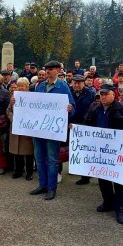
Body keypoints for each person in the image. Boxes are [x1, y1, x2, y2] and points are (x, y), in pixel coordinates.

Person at [84, 84, 123, 224]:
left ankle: (121, 208)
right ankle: (107, 202)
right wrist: (76, 128)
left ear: (113, 95)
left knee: (119, 181)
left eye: (105, 94)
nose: (102, 97)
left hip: (117, 152)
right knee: (103, 179)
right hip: (100, 152)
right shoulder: (95, 109)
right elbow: (87, 124)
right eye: (101, 94)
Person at [29, 61, 75, 201]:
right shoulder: (41, 86)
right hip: (39, 129)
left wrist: (70, 109)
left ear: (57, 71)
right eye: (46, 69)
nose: (47, 71)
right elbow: (32, 104)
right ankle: (42, 185)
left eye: (50, 69)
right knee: (39, 158)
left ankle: (51, 188)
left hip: (53, 130)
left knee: (52, 159)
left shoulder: (63, 86)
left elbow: (72, 106)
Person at [7, 77, 35, 180]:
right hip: (16, 127)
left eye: (23, 85)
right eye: (19, 86)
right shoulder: (14, 97)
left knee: (28, 152)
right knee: (17, 151)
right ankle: (18, 170)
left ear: (27, 86)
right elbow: (8, 110)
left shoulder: (32, 98)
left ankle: (29, 172)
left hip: (27, 129)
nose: (20, 88)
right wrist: (13, 118)